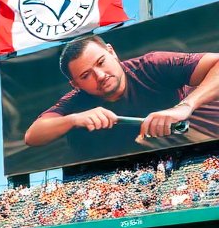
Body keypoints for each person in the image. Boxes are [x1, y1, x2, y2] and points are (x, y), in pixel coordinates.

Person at [23, 36, 219, 158]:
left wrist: (185, 106)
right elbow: (32, 136)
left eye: (101, 62)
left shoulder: (151, 65)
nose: (99, 76)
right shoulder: (76, 100)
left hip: (201, 143)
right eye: (85, 75)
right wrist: (74, 119)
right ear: (76, 84)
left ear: (112, 52)